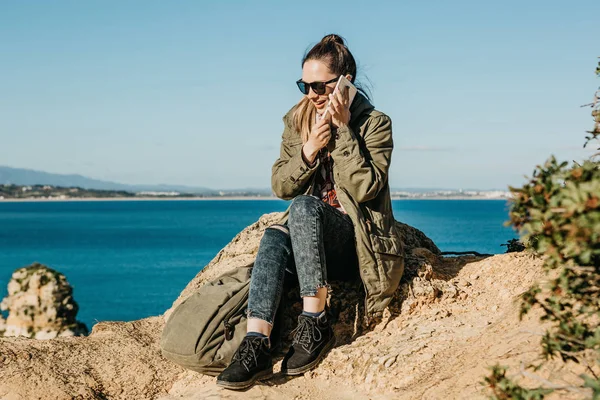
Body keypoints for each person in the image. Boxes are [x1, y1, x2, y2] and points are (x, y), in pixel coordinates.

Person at [216, 34, 404, 390]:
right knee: (274, 234)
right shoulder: (297, 119)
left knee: (303, 207)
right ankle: (256, 343)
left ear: (344, 81)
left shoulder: (375, 124)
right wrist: (309, 151)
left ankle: (315, 322)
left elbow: (367, 188)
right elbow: (281, 185)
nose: (311, 95)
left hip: (356, 242)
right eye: (305, 84)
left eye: (320, 86)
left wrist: (343, 132)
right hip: (309, 240)